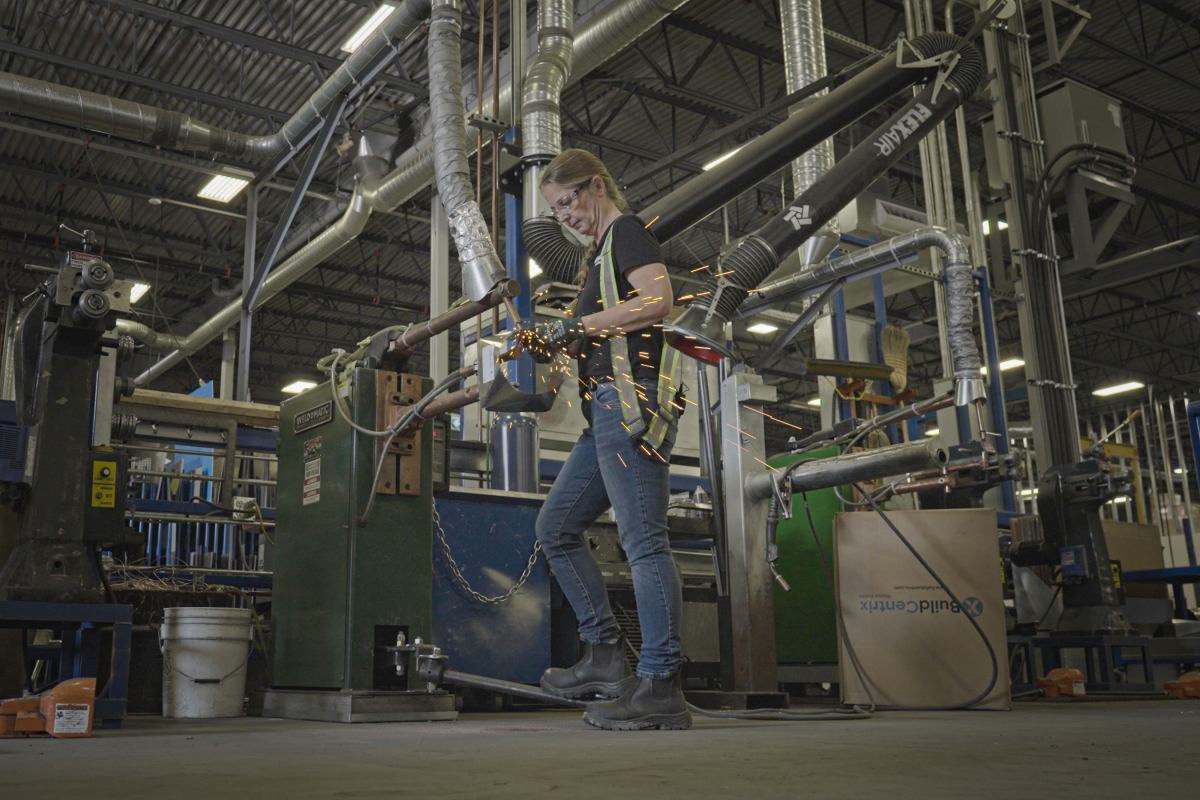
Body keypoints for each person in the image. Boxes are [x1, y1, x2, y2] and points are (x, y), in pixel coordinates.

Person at [527, 149, 689, 731]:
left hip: (629, 403)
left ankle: (661, 683)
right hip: (603, 411)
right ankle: (603, 655)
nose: (564, 216)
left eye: (567, 202)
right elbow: (604, 326)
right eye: (555, 210)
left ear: (596, 186)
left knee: (643, 542)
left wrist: (576, 325)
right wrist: (558, 342)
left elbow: (657, 301)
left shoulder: (627, 231)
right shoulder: (596, 256)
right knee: (555, 528)